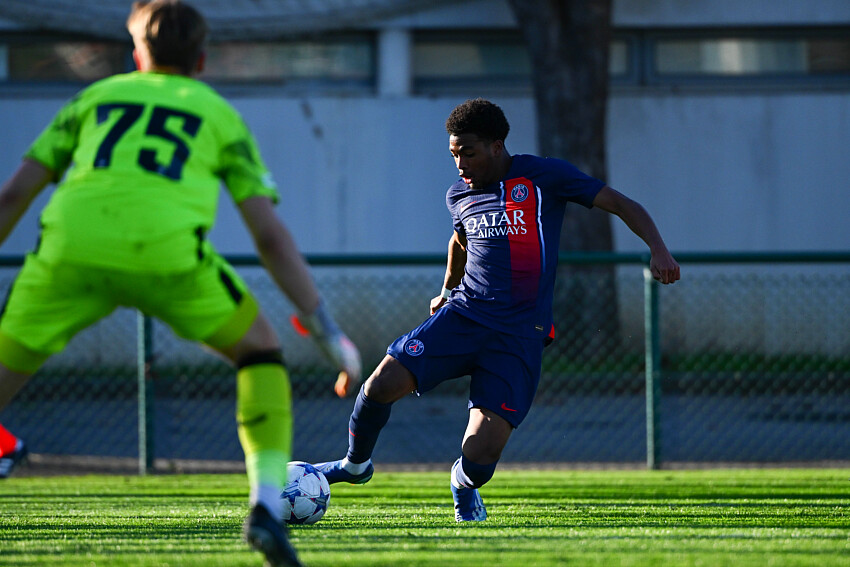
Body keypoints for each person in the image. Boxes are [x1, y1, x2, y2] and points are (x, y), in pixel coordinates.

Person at [0, 2, 360, 565]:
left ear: (137, 53)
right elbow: (268, 234)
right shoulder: (215, 111)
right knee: (259, 351)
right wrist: (326, 330)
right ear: (201, 58)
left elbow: (11, 197)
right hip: (166, 255)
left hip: (70, 252)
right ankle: (266, 506)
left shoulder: (93, 98)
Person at [315, 98, 680, 522]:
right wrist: (446, 287)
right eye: (453, 153)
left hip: (518, 333)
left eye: (467, 152)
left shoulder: (545, 176)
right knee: (381, 382)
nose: (459, 163)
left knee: (481, 451)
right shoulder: (459, 195)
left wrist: (659, 249)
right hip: (465, 315)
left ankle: (463, 483)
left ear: (496, 145)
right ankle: (354, 466)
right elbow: (460, 241)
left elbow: (621, 204)